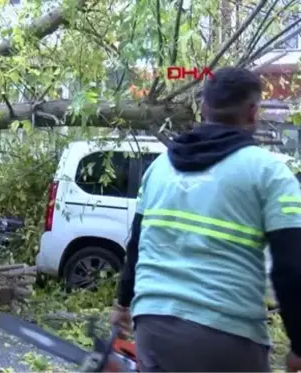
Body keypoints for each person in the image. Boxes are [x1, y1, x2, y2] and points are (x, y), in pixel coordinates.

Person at [110, 66, 301, 373]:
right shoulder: (270, 172)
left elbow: (136, 245)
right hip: (227, 335)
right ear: (253, 112)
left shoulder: (159, 168)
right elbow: (292, 268)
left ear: (203, 108)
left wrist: (122, 305)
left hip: (152, 326)